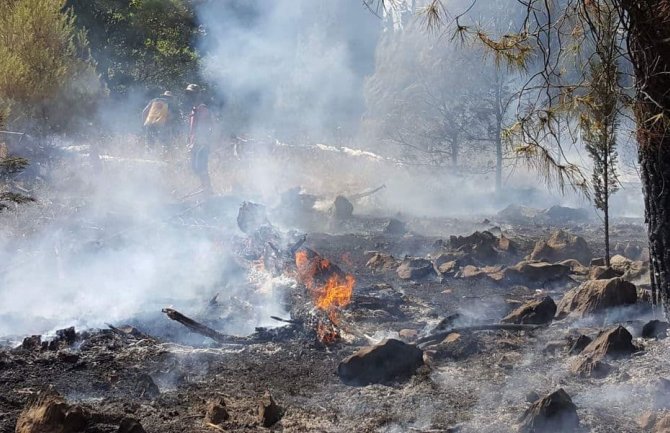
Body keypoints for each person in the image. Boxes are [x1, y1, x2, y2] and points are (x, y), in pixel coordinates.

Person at [185, 84, 213, 195]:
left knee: (201, 166)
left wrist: (202, 141)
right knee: (194, 167)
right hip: (194, 143)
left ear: (198, 94)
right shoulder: (193, 110)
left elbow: (204, 127)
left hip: (202, 143)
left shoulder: (202, 109)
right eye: (188, 93)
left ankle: (208, 190)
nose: (189, 96)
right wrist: (189, 142)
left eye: (192, 93)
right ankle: (205, 188)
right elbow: (192, 129)